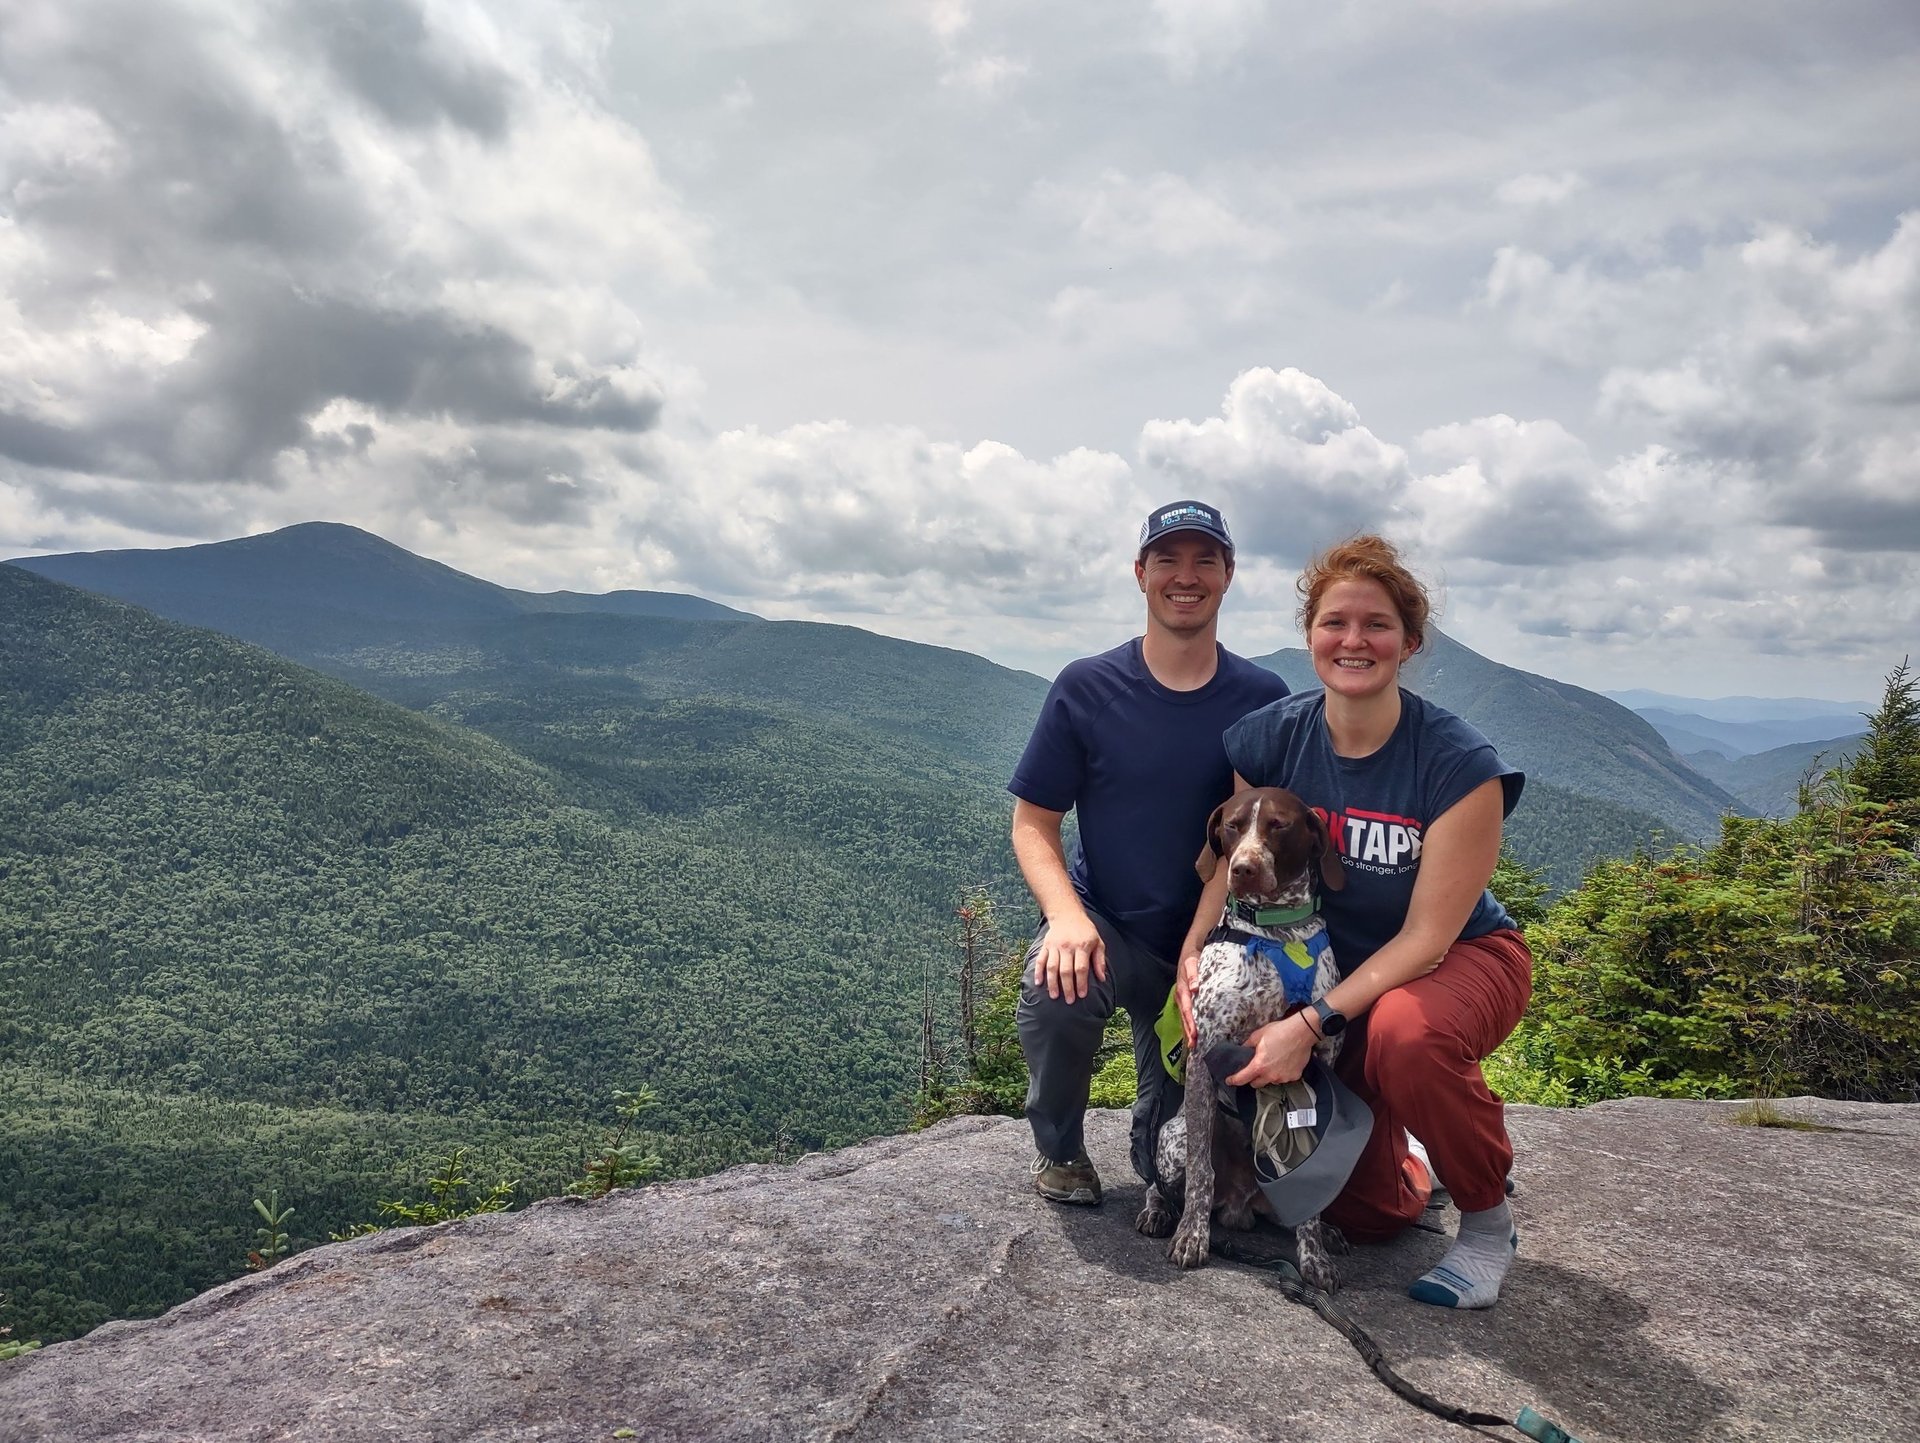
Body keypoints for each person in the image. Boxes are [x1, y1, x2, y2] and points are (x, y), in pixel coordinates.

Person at [1174, 534, 1532, 1309]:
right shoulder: (1274, 735)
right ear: (1311, 636)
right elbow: (1236, 858)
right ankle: (1410, 1155)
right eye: (1335, 622)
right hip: (1338, 969)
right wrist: (1193, 951)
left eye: (1376, 624)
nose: (1354, 640)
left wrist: (1308, 1023)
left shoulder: (1457, 763)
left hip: (1451, 962)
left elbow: (1428, 938)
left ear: (1409, 641)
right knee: (1359, 1213)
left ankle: (1485, 1219)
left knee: (1409, 1035)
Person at [1009, 500, 1291, 1206]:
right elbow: (1033, 823)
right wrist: (1068, 920)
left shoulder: (1261, 699)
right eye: (1168, 559)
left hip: (1212, 943)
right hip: (1112, 927)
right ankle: (1060, 1152)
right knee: (1056, 984)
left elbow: (1244, 850)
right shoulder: (1088, 687)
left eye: (1204, 560)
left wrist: (1197, 952)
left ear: (1229, 575)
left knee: (1164, 1165)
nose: (1185, 576)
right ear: (1141, 574)